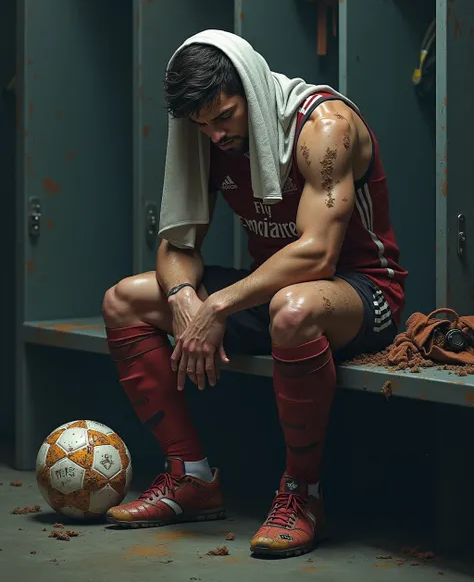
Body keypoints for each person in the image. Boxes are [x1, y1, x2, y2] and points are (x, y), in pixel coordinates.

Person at [102, 30, 407, 558]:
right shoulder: (205, 136)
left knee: (293, 308)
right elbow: (177, 241)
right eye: (202, 124)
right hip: (271, 292)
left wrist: (216, 303)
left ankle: (302, 495)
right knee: (124, 299)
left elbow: (317, 256)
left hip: (360, 294)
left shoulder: (323, 128)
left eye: (224, 118)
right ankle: (190, 477)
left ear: (251, 91)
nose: (216, 136)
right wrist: (182, 297)